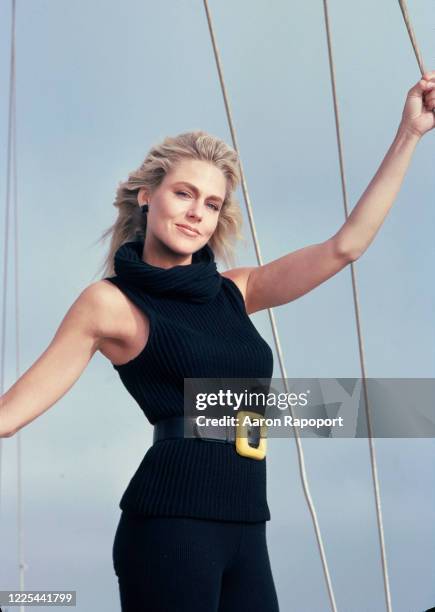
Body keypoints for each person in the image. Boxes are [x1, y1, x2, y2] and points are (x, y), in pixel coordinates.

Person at [1, 72, 434, 612]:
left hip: (248, 523)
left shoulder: (236, 290)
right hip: (169, 525)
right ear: (146, 196)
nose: (195, 212)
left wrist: (410, 134)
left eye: (210, 203)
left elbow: (346, 246)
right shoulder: (109, 303)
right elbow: (9, 415)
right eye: (183, 193)